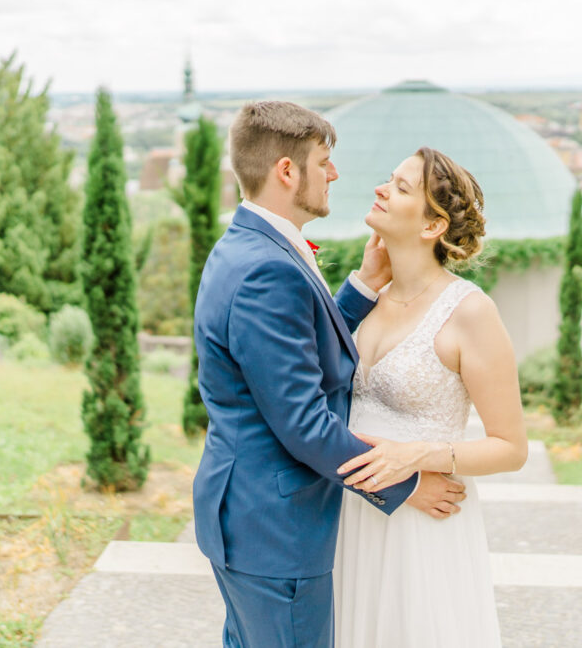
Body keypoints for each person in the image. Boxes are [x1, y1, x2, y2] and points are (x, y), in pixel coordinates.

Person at [191, 102, 467, 648]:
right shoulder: (268, 268)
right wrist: (407, 484)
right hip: (277, 532)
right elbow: (303, 423)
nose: (335, 174)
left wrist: (361, 287)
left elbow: (291, 357)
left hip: (247, 516)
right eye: (324, 161)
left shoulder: (248, 246)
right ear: (286, 171)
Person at [332, 147, 529, 647]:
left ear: (431, 227)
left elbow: (511, 447)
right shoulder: (363, 298)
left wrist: (421, 455)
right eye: (388, 179)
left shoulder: (469, 312)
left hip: (424, 527)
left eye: (400, 187)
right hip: (352, 518)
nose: (381, 188)